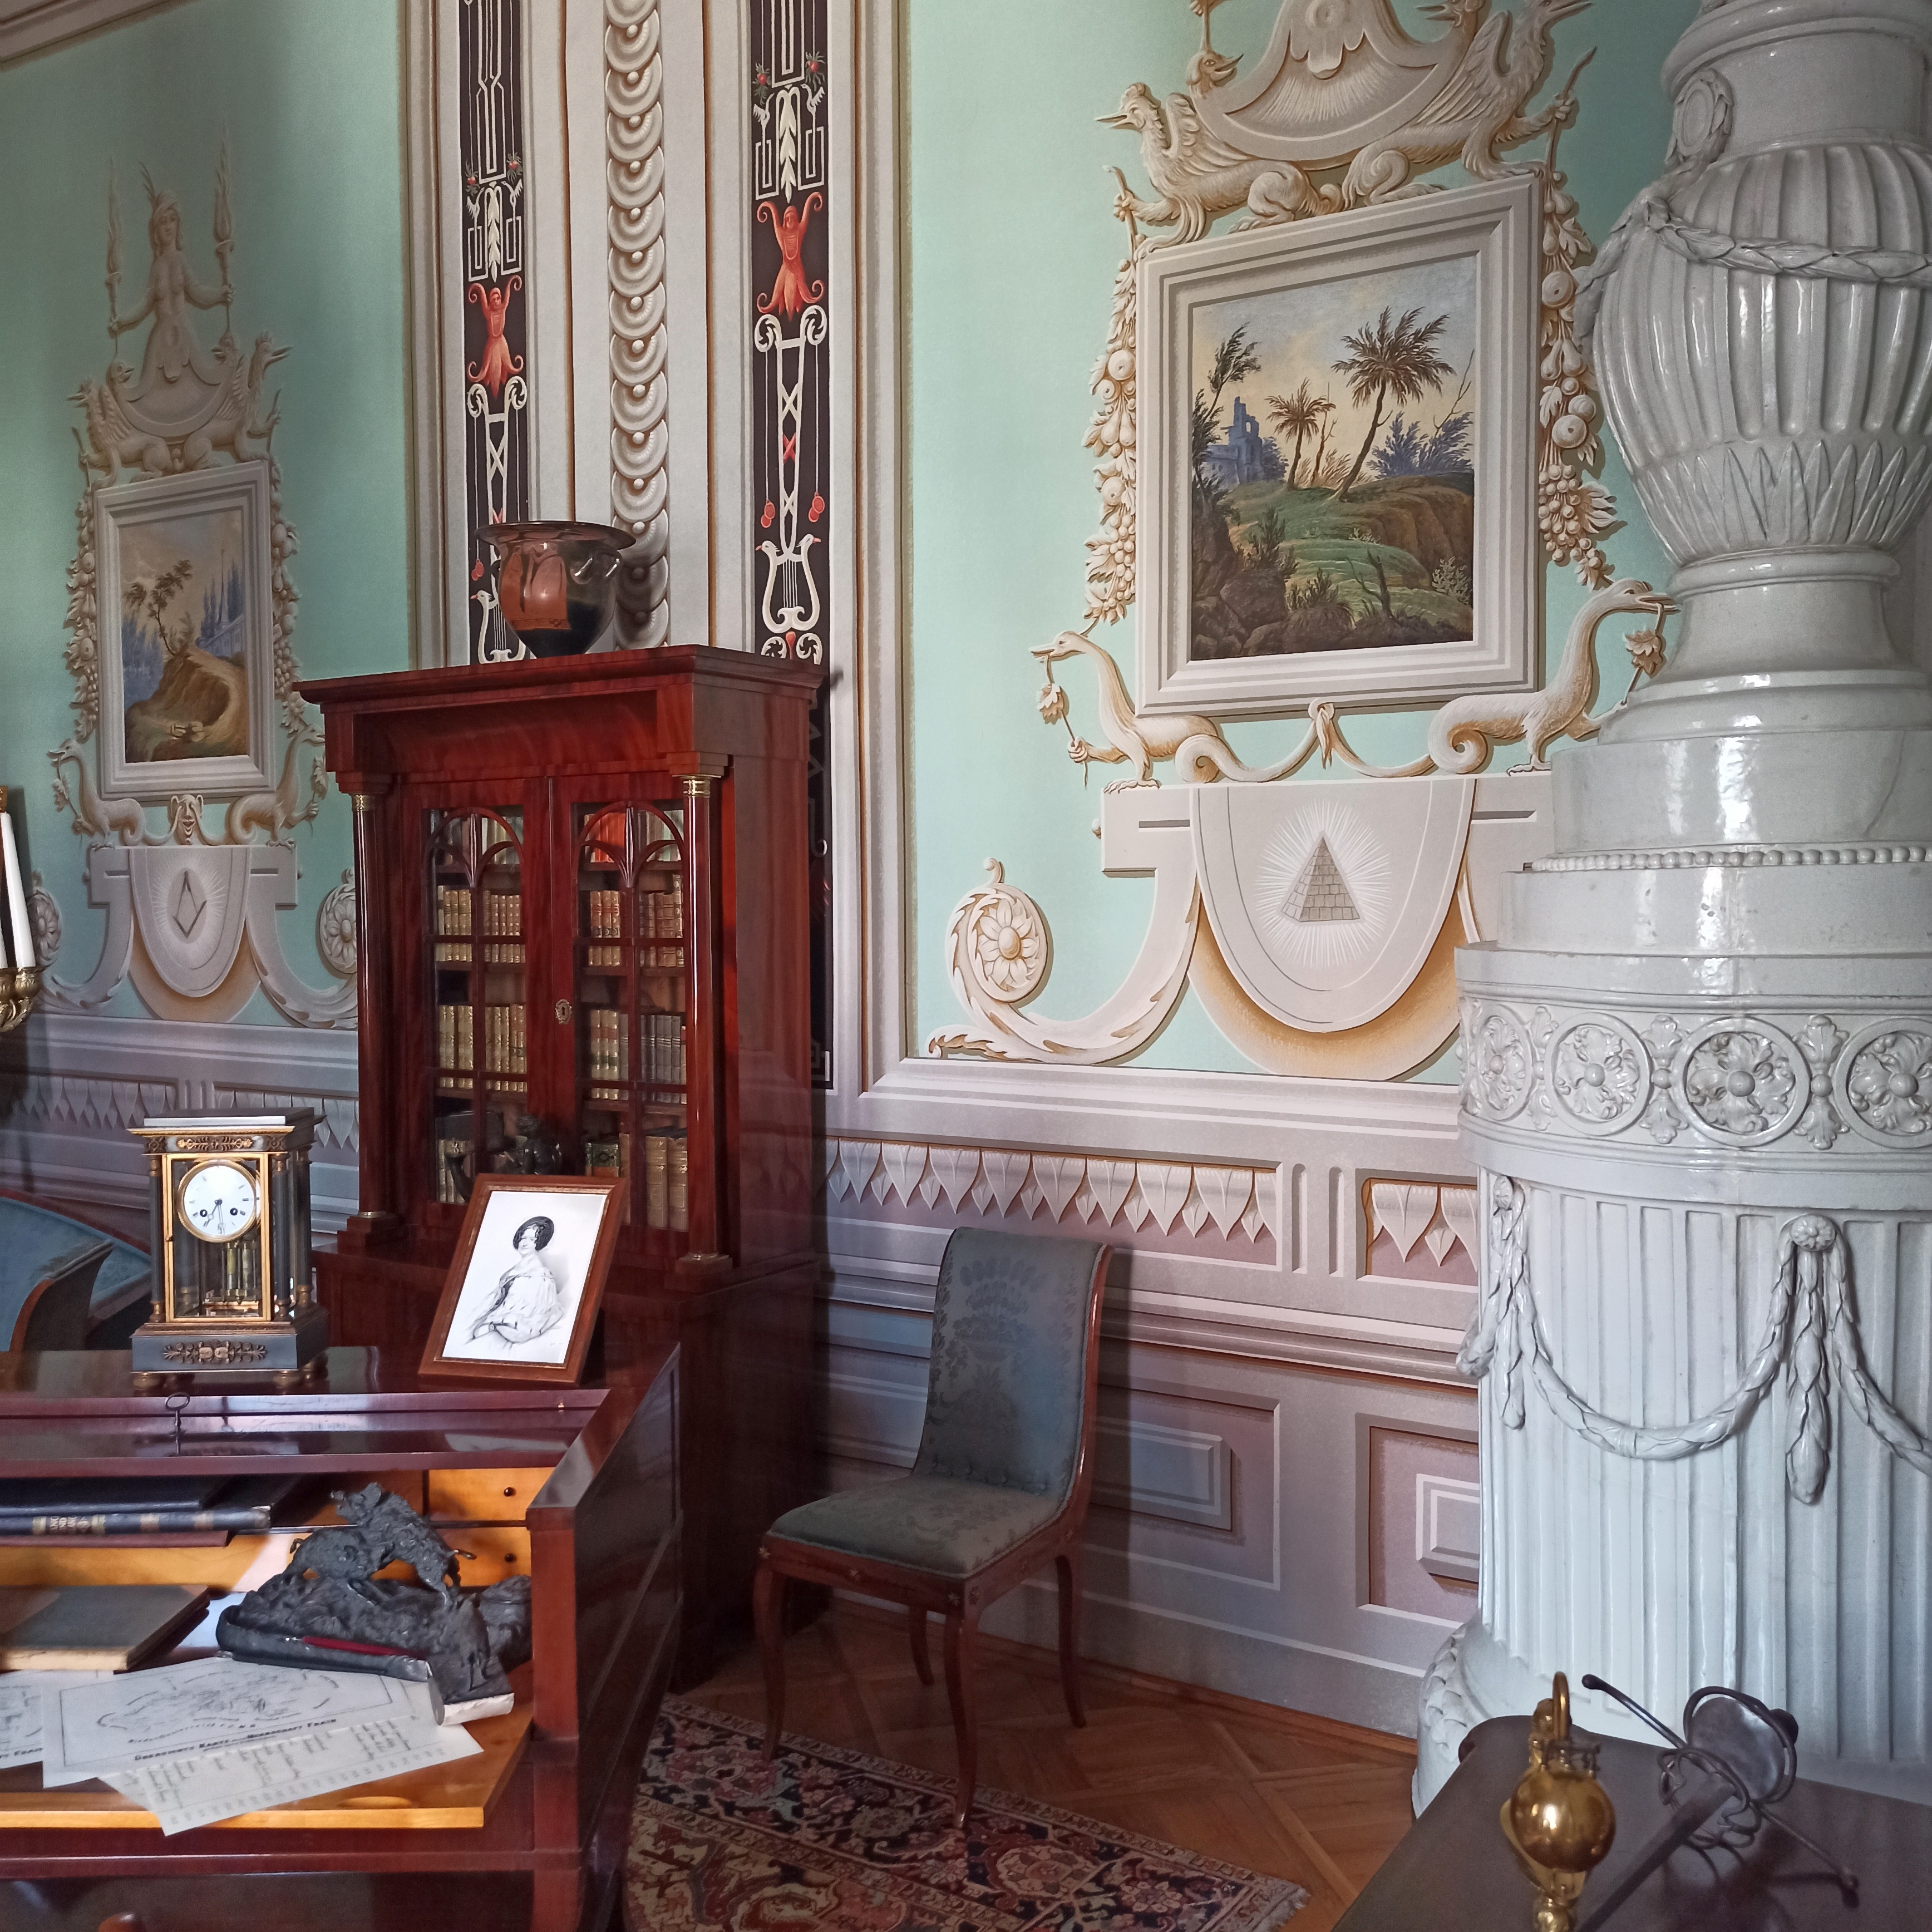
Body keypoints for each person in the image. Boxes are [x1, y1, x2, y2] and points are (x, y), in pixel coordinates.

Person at [466, 1215, 565, 1348]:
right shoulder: (519, 1267)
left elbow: (525, 1313)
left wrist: (490, 1325)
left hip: (507, 1329)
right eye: (523, 1238)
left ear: (540, 1242)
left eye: (532, 1239)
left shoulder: (538, 1276)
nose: (524, 1243)